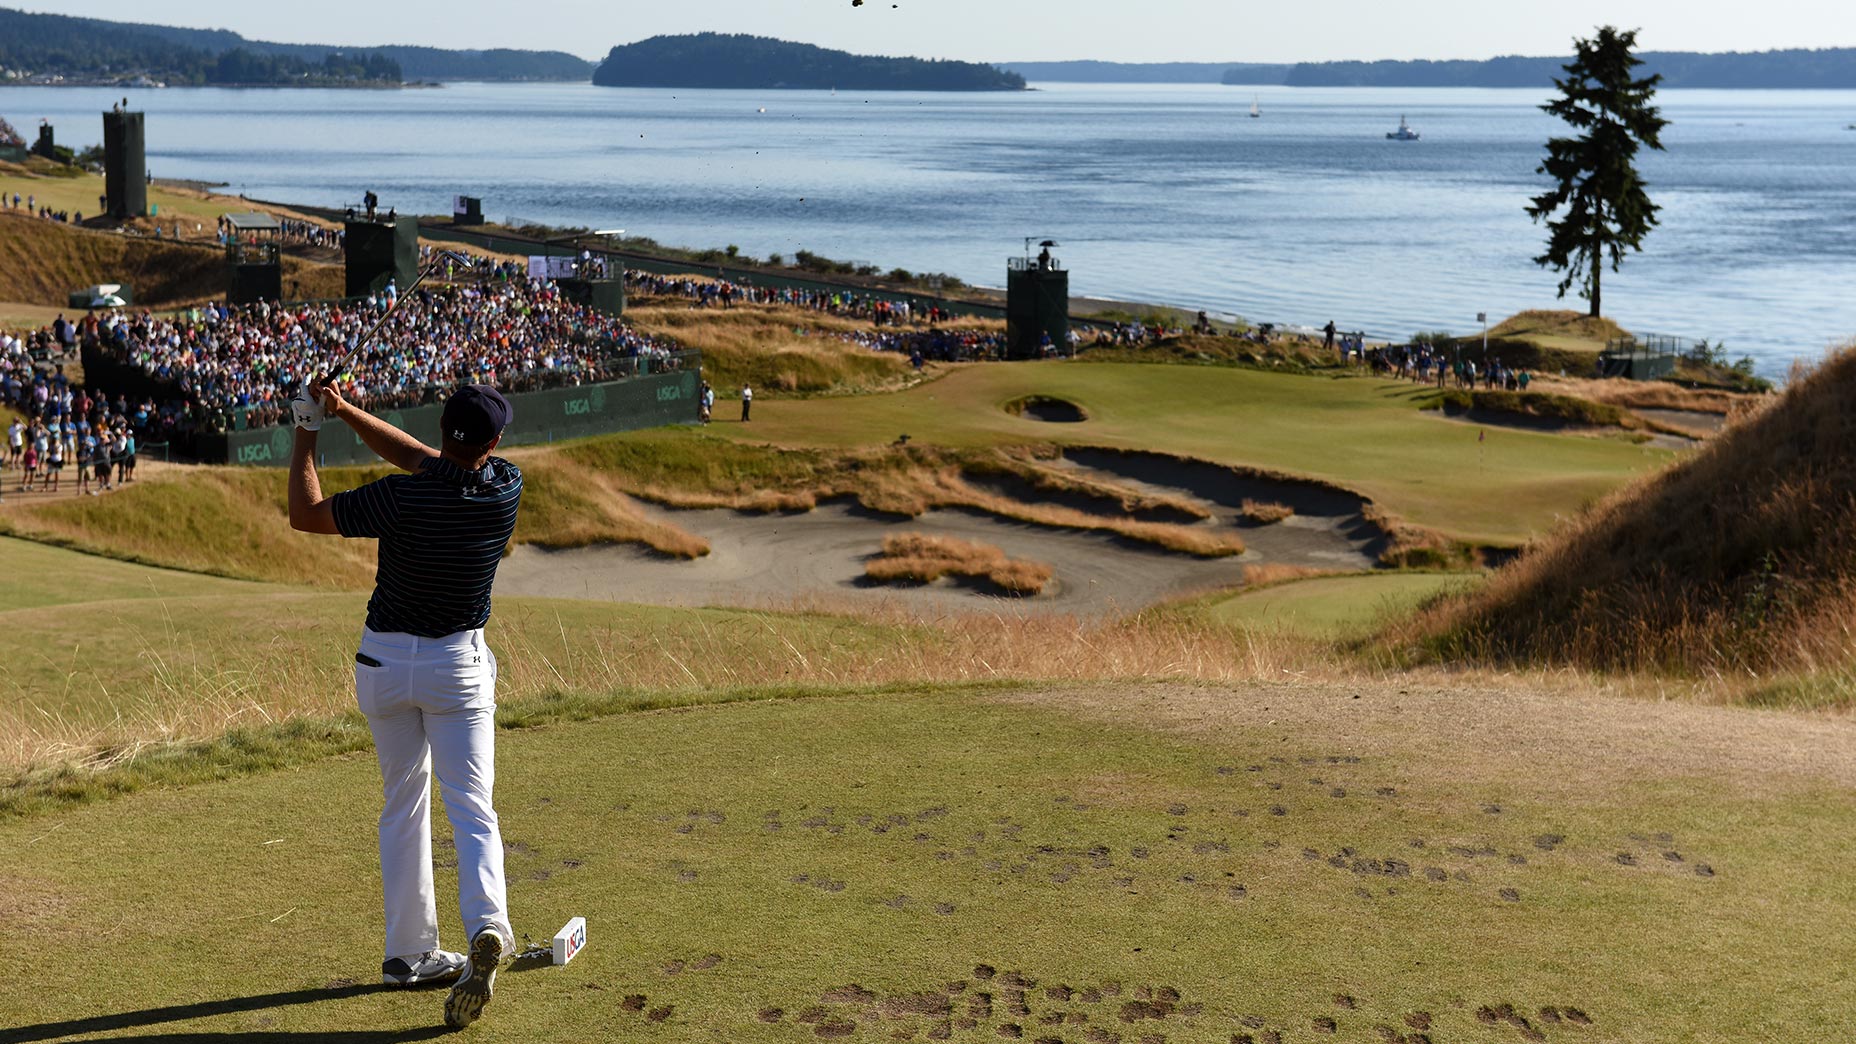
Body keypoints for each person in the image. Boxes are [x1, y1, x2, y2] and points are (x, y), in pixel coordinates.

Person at [286, 381, 522, 1029]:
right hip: (458, 670)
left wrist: (309, 428)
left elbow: (306, 513)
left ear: (443, 428)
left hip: (384, 667)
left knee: (403, 805)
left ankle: (409, 953)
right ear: (493, 444)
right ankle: (489, 929)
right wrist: (343, 409)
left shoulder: (402, 495)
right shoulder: (506, 487)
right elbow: (423, 455)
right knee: (472, 808)